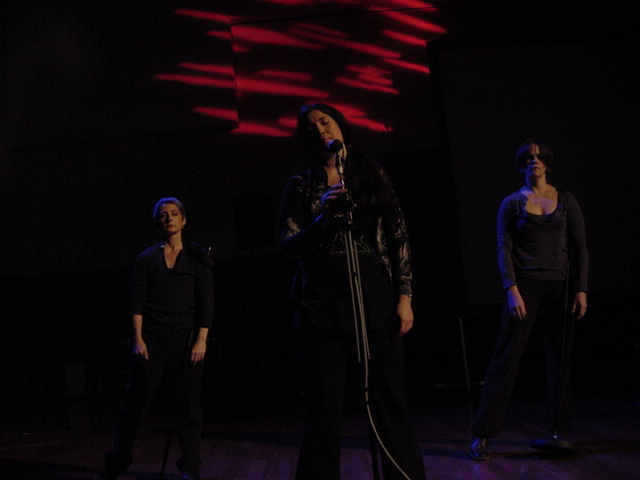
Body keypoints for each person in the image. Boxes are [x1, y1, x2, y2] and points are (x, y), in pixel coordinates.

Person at [279, 103, 426, 480]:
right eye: (310, 128)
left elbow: (398, 235)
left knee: (389, 401)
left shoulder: (371, 174)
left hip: (374, 297)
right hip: (320, 305)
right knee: (323, 409)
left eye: (324, 121)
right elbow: (289, 246)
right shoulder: (301, 185)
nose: (320, 130)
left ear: (340, 125)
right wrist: (321, 221)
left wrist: (404, 297)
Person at [469, 140, 588, 460]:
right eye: (528, 158)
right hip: (526, 286)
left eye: (539, 157)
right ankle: (482, 434)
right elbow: (503, 249)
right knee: (506, 359)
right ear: (522, 165)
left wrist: (581, 289)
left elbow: (580, 247)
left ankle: (558, 431)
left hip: (561, 287)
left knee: (559, 360)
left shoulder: (566, 200)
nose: (534, 161)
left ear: (547, 163)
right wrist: (511, 289)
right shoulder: (511, 203)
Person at [103, 197, 214, 480]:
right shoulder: (147, 259)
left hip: (186, 341)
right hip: (152, 340)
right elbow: (136, 301)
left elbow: (206, 301)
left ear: (183, 220)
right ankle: (118, 460)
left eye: (174, 214)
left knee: (189, 406)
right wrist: (138, 339)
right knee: (135, 404)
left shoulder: (197, 258)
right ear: (157, 222)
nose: (169, 218)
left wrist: (201, 339)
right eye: (163, 215)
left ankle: (190, 466)